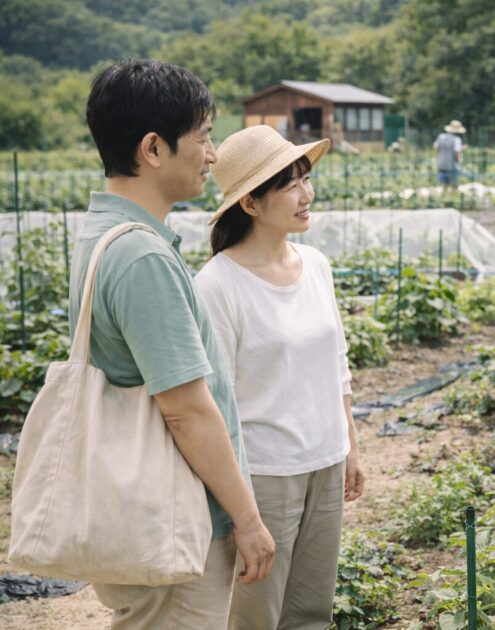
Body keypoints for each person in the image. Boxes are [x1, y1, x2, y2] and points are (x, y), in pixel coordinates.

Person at [73, 59, 275, 628]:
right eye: (205, 138)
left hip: (139, 511)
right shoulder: (141, 257)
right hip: (175, 521)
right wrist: (248, 519)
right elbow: (186, 410)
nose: (213, 155)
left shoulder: (101, 233)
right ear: (154, 148)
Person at [193, 125, 366, 630]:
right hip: (265, 474)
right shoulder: (218, 286)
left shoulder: (315, 265)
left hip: (326, 461)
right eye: (290, 184)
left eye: (306, 179)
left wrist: (350, 445)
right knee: (257, 616)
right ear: (250, 203)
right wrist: (239, 508)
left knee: (311, 611)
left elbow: (337, 361)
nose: (307, 194)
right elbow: (212, 401)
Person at [433, 119, 465, 190]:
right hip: (452, 165)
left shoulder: (441, 137)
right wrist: (459, 161)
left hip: (441, 163)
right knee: (454, 185)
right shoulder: (456, 139)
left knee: (445, 185)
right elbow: (457, 152)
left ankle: (444, 198)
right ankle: (453, 198)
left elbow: (435, 147)